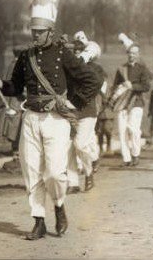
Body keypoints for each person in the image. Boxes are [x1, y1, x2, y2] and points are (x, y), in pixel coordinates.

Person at [0, 0, 100, 240]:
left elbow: (92, 80)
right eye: (33, 32)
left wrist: (70, 102)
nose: (35, 37)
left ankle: (59, 205)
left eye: (40, 33)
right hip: (30, 118)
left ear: (51, 31)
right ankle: (38, 219)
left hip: (55, 120)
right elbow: (14, 87)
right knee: (31, 171)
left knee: (54, 174)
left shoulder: (64, 54)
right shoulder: (25, 57)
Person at [66, 35, 105, 194]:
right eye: (74, 51)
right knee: (68, 148)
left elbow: (96, 85)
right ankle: (73, 183)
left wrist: (81, 65)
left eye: (79, 50)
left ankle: (90, 169)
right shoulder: (68, 69)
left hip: (87, 110)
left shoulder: (95, 68)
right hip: (69, 110)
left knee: (80, 144)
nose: (76, 53)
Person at [112, 42, 152, 167]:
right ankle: (126, 158)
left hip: (136, 102)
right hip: (122, 103)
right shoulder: (121, 69)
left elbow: (146, 86)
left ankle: (135, 154)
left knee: (133, 129)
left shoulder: (142, 69)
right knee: (122, 130)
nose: (132, 55)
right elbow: (114, 86)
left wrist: (133, 86)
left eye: (134, 53)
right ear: (127, 54)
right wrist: (120, 87)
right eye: (130, 53)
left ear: (138, 55)